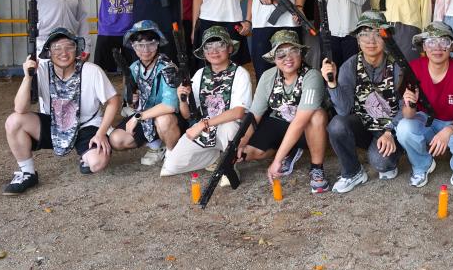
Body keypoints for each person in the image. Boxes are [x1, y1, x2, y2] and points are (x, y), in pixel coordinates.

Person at [2, 29, 121, 195]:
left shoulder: (91, 70)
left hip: (86, 125)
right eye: (57, 48)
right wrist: (28, 77)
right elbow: (20, 108)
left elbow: (113, 101)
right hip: (54, 125)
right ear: (49, 52)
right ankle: (27, 173)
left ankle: (86, 156)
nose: (63, 53)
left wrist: (101, 133)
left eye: (69, 47)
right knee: (14, 121)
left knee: (97, 163)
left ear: (77, 50)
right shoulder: (41, 70)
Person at [323, 12, 405, 193]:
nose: (370, 40)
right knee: (337, 125)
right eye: (364, 34)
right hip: (363, 125)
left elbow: (405, 107)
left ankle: (390, 154)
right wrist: (332, 83)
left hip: (389, 129)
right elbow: (343, 110)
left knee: (382, 163)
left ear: (386, 37)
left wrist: (390, 131)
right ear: (358, 40)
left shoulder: (398, 66)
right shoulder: (350, 66)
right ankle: (353, 172)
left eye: (377, 34)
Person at [160, 26, 253, 177]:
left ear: (230, 49)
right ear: (203, 52)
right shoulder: (199, 74)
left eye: (220, 45)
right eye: (208, 47)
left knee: (230, 128)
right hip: (205, 130)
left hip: (227, 127)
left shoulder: (240, 73)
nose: (214, 51)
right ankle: (215, 156)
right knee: (170, 167)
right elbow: (187, 115)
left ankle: (229, 166)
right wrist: (182, 99)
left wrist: (203, 124)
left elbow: (238, 112)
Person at [394, 22, 453, 188]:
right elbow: (408, 115)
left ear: (451, 46)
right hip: (426, 121)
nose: (437, 48)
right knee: (403, 128)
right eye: (431, 42)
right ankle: (422, 165)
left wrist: (449, 130)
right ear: (424, 47)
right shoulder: (414, 68)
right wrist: (411, 104)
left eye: (444, 42)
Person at [245, 30, 330, 194]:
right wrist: (240, 143)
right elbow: (254, 115)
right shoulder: (267, 76)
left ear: (301, 53)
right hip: (280, 123)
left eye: (293, 51)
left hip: (306, 129)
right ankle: (289, 151)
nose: (287, 58)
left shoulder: (312, 76)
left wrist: (276, 161)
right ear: (274, 58)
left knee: (317, 116)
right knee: (248, 153)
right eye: (281, 54)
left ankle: (317, 168)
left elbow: (300, 121)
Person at [108, 21, 187, 166]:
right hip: (146, 117)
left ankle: (172, 152)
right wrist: (133, 100)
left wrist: (137, 117)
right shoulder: (134, 68)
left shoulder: (167, 67)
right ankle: (156, 145)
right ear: (133, 46)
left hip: (169, 117)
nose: (145, 49)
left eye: (151, 44)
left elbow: (170, 106)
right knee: (116, 139)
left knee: (163, 120)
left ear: (158, 44)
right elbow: (130, 102)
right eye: (140, 45)